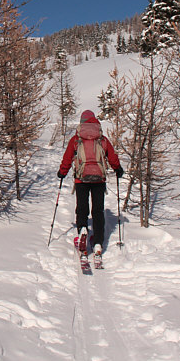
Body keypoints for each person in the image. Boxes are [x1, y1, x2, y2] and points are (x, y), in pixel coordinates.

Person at [57, 110, 123, 256]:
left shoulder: (76, 139)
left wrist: (62, 172)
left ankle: (82, 230)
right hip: (99, 179)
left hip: (81, 178)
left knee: (82, 208)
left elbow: (68, 157)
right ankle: (98, 242)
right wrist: (118, 168)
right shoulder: (102, 139)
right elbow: (112, 156)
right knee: (98, 211)